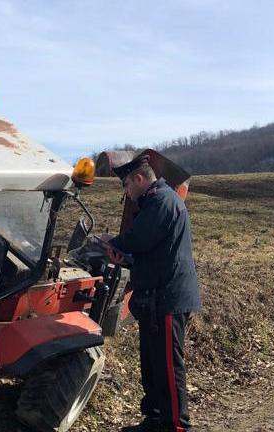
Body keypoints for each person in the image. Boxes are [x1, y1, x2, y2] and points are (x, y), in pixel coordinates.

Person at [104, 154, 201, 432]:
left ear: (138, 179)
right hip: (155, 297)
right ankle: (156, 419)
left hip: (168, 296)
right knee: (153, 362)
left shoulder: (161, 201)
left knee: (169, 366)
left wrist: (111, 243)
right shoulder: (156, 201)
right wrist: (124, 254)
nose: (126, 193)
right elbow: (148, 250)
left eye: (125, 186)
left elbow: (138, 240)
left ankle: (176, 426)